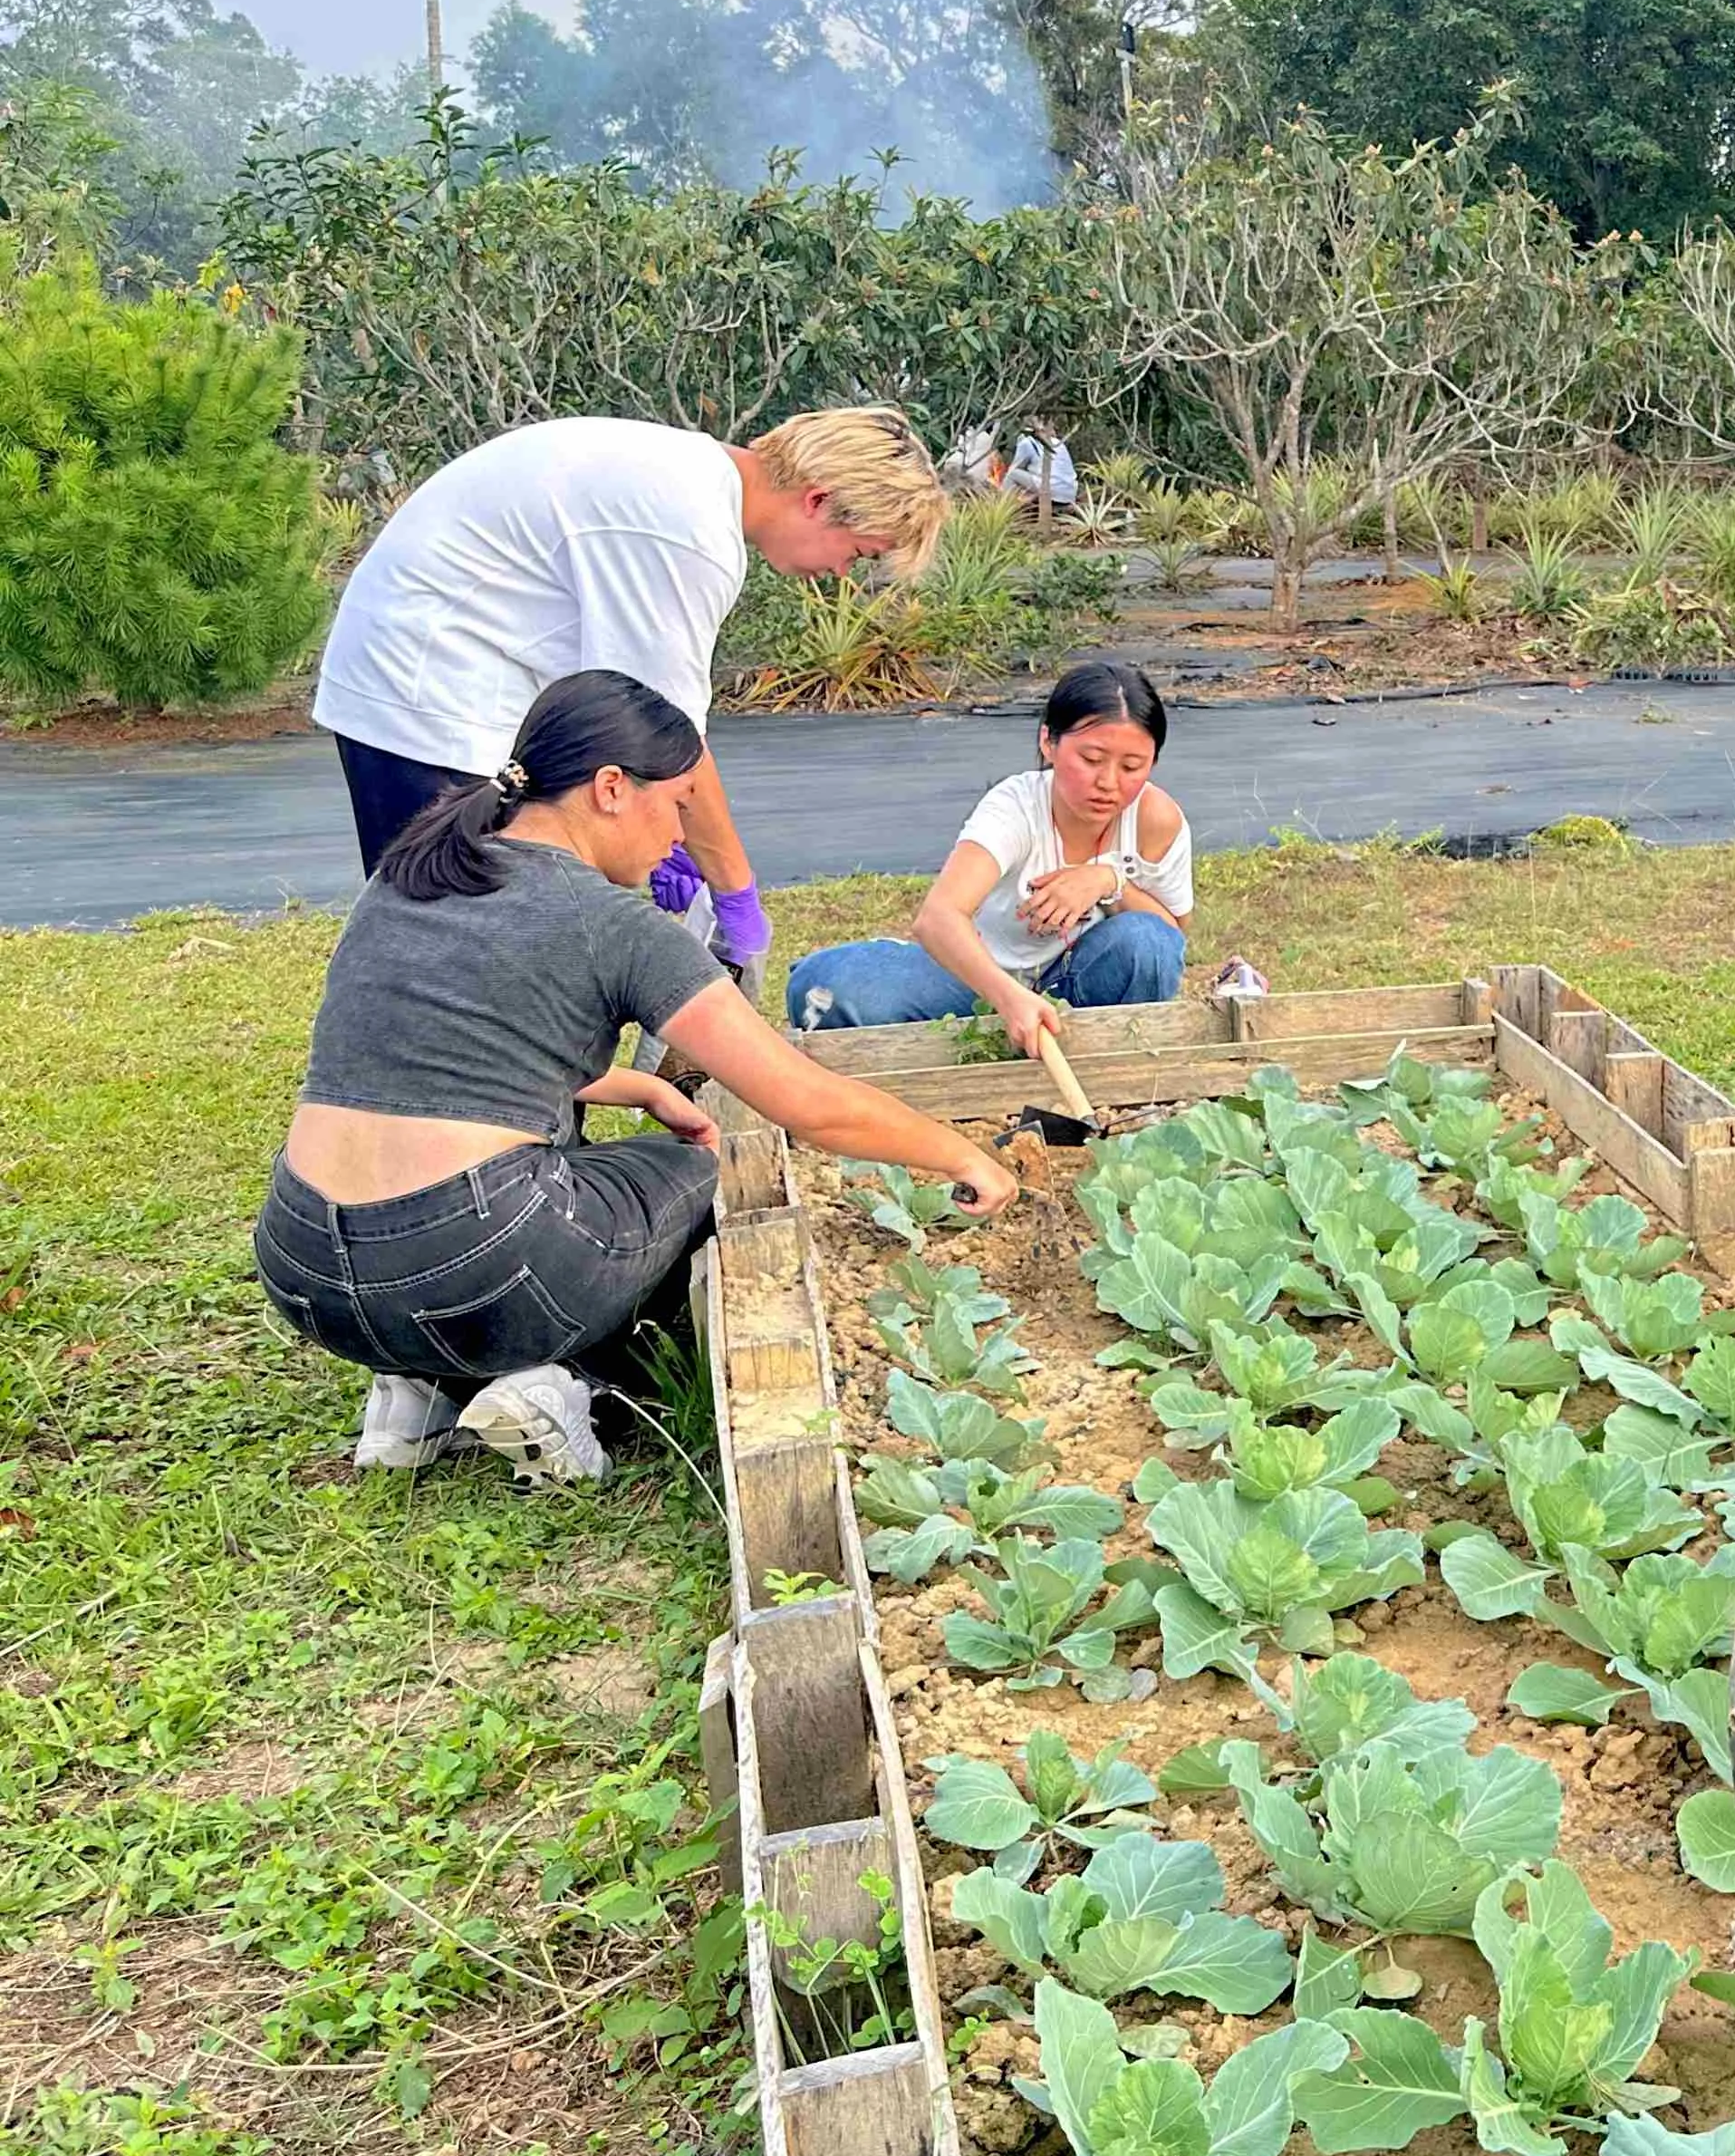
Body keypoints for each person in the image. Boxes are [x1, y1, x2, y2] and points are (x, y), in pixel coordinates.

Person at [258, 670, 1018, 1487]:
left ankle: (418, 1392)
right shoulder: (615, 924)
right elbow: (805, 1102)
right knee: (696, 1173)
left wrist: (640, 1086)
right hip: (471, 1260)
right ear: (613, 789)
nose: (681, 834)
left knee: (554, 1176)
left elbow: (442, 1060)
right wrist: (964, 1157)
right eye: (679, 803)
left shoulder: (413, 872)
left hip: (303, 1269)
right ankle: (564, 1392)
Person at [312, 407, 956, 973]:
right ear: (817, 501)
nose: (842, 574)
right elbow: (665, 736)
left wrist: (665, 832)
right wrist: (734, 891)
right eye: (858, 553)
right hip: (427, 695)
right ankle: (456, 1106)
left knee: (502, 940)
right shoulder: (688, 530)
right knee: (464, 957)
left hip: (447, 678)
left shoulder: (686, 477)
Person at [784, 662, 1203, 1039]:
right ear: (1049, 742)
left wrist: (1107, 881)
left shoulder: (1155, 818)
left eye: (1132, 767)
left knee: (1148, 942)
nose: (1109, 782)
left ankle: (1105, 1060)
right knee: (823, 985)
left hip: (1078, 983)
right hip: (973, 984)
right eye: (1092, 759)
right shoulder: (1015, 806)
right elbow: (938, 919)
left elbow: (1169, 937)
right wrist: (1009, 999)